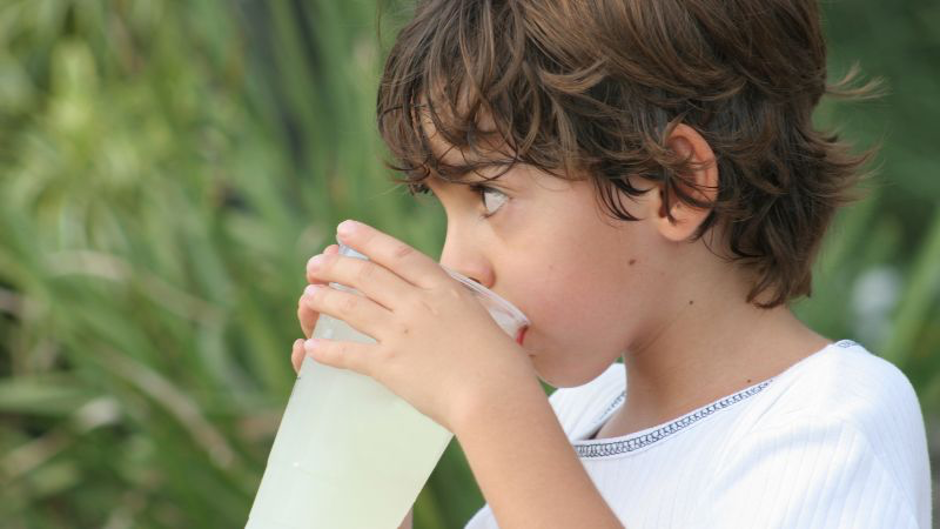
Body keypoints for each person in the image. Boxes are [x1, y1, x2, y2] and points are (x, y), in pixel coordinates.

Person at [292, 0, 932, 527]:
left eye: (489, 195)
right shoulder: (577, 418)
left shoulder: (833, 423)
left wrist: (490, 402)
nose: (456, 264)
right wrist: (365, 481)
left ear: (674, 184)